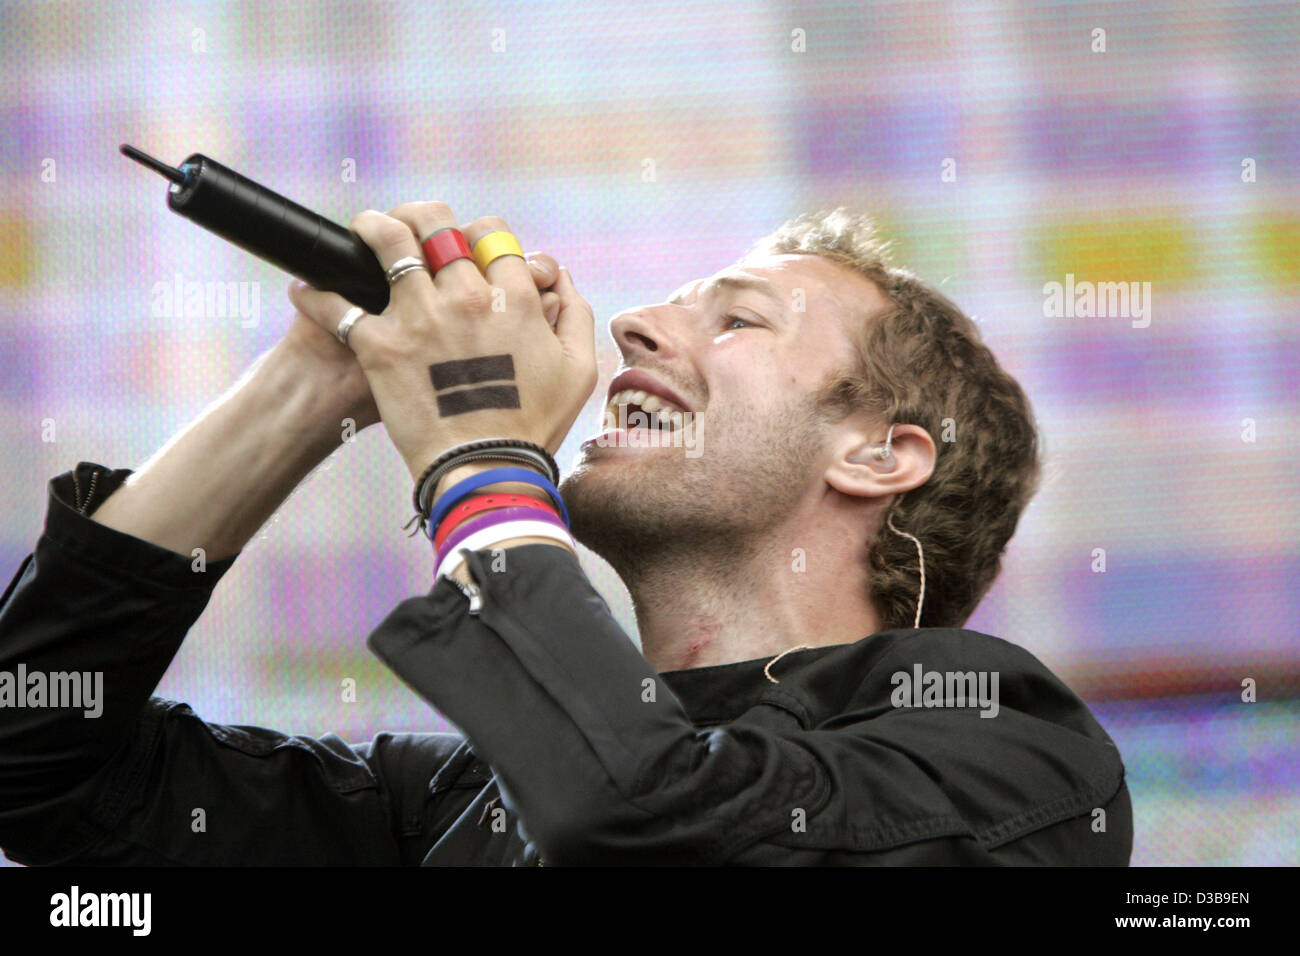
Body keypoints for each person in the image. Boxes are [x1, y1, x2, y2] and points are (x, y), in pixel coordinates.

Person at [0, 205, 1131, 865]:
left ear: (879, 456)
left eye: (736, 317)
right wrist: (307, 386)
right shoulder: (459, 804)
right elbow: (34, 757)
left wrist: (478, 453)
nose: (636, 321)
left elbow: (641, 811)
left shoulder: (1000, 749)